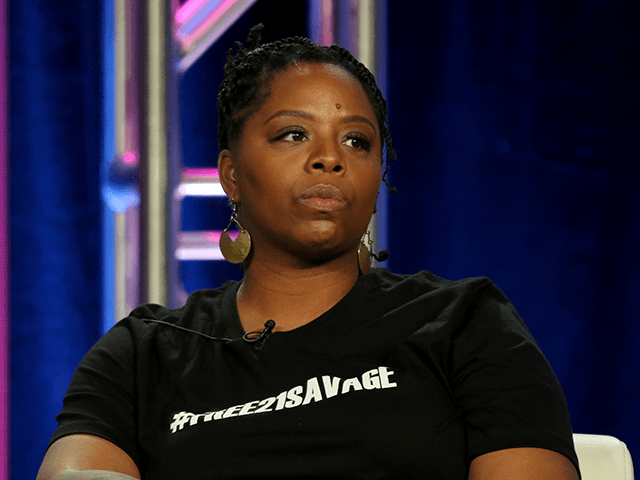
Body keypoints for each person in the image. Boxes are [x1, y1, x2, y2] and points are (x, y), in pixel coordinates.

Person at [38, 25, 580, 479]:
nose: (329, 158)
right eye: (294, 135)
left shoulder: (464, 323)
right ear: (230, 174)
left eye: (357, 141)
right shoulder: (143, 355)